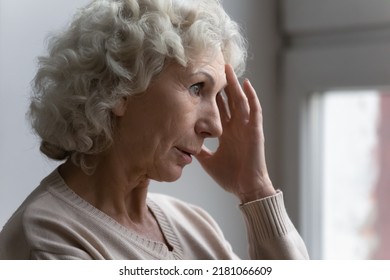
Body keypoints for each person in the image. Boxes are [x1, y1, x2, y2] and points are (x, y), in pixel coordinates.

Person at [0, 0, 309, 260]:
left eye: (217, 95)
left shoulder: (196, 227)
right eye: (196, 87)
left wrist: (255, 189)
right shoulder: (49, 236)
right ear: (119, 88)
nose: (215, 126)